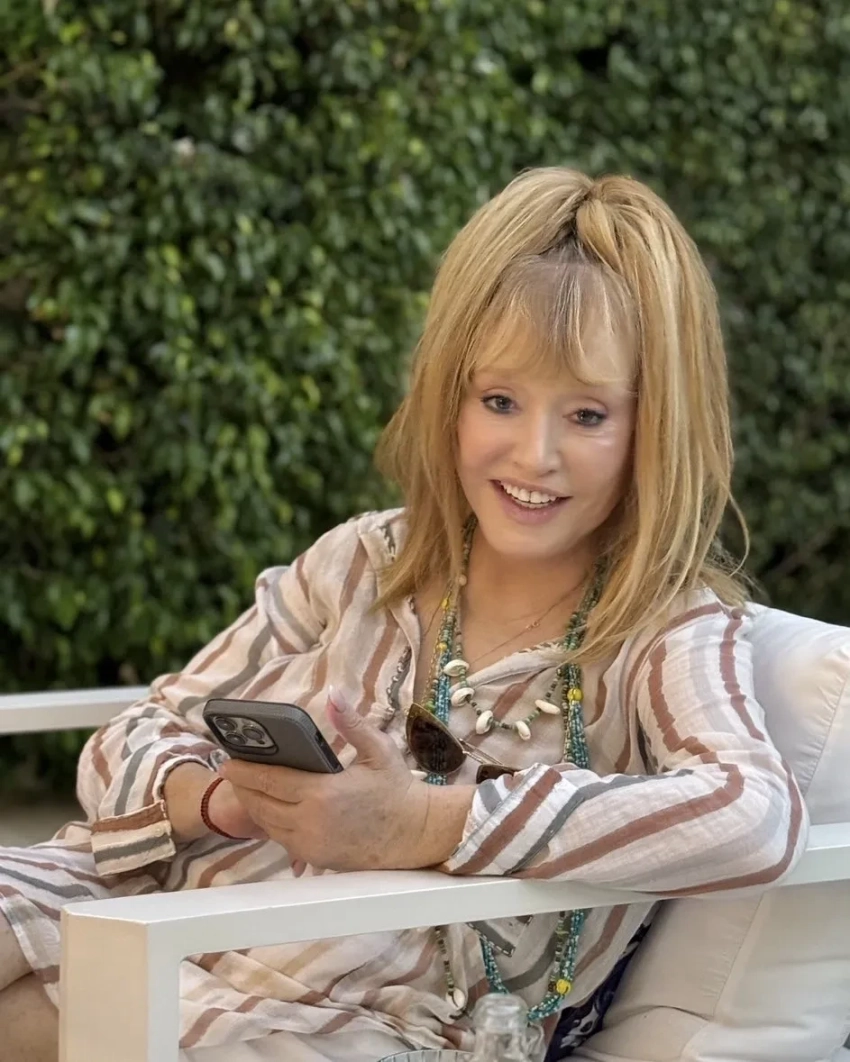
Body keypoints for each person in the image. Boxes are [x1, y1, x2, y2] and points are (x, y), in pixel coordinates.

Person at [0, 167, 808, 1062]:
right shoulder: (365, 560)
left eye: (586, 415)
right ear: (447, 397)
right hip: (159, 905)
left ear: (656, 428)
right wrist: (225, 801)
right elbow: (139, 731)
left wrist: (422, 822)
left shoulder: (666, 627)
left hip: (353, 1014)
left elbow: (751, 813)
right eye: (499, 401)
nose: (533, 455)